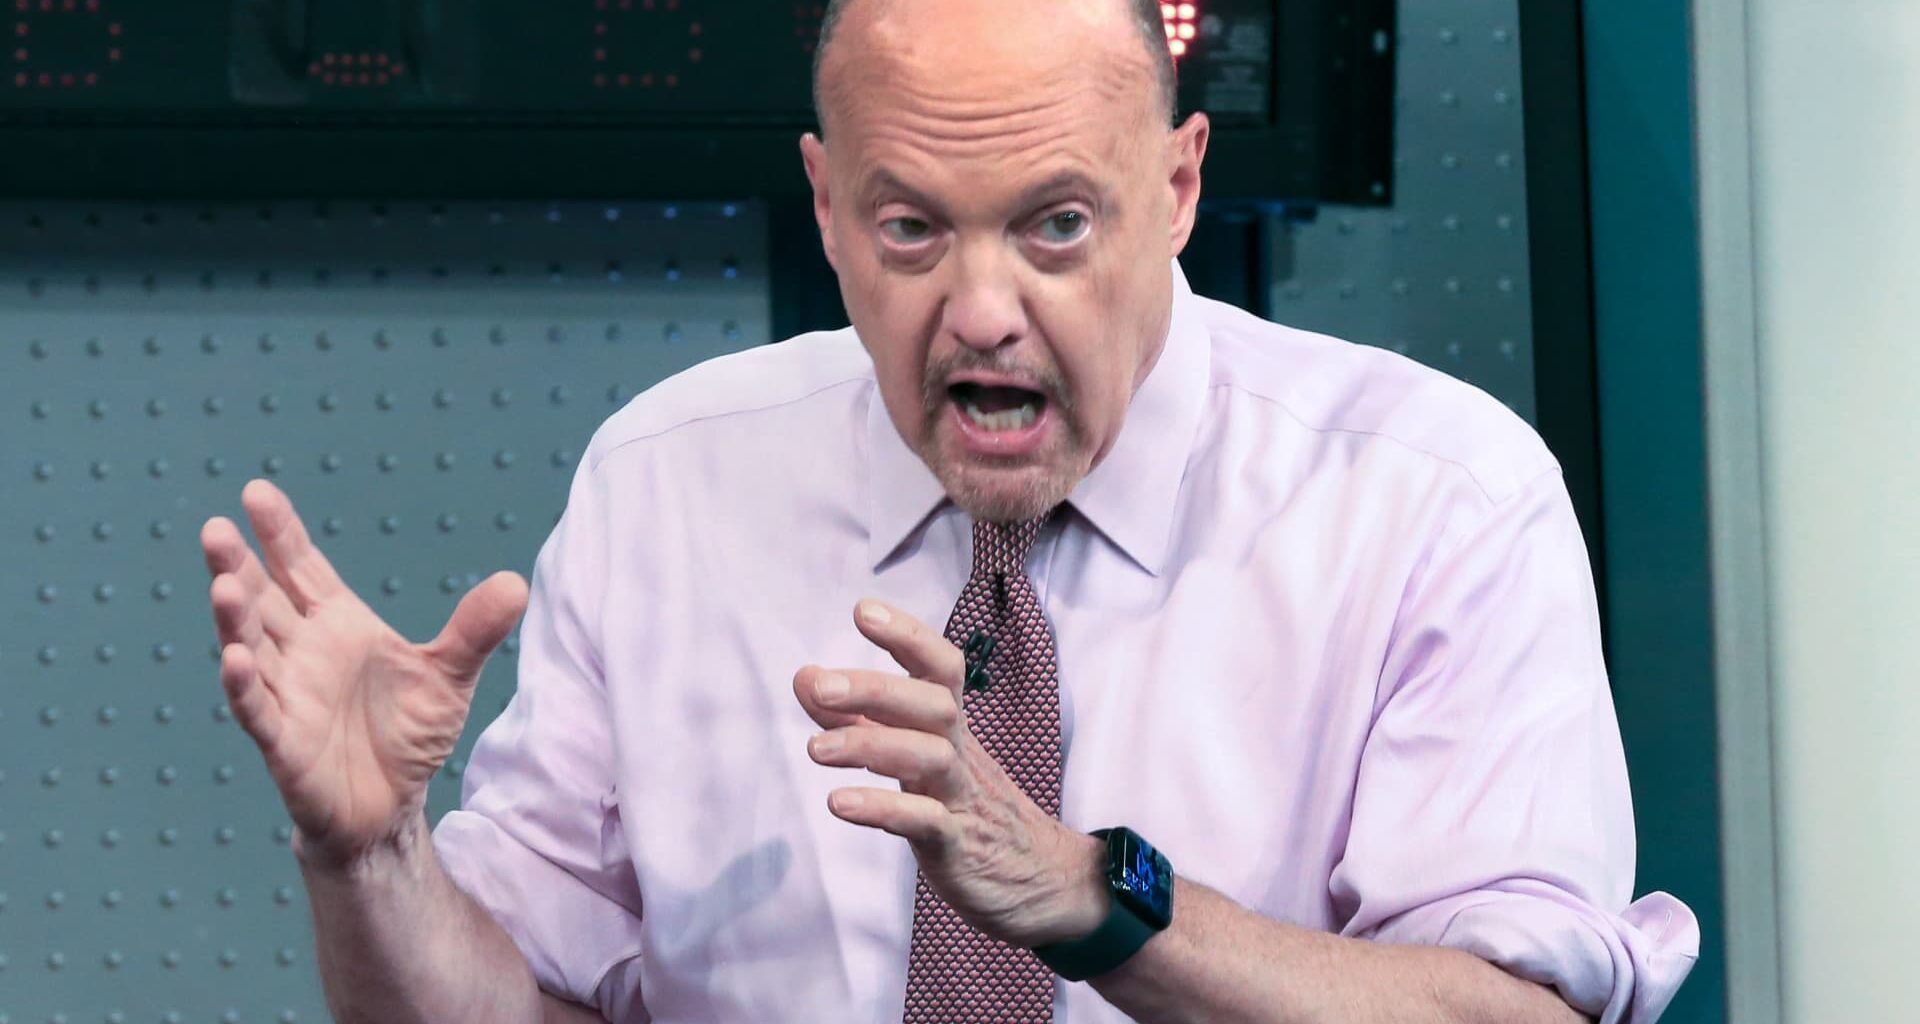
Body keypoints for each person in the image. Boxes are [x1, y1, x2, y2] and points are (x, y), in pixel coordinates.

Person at [198, 0, 1699, 1020]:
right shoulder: (667, 483)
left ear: (1180, 187)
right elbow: (516, 1002)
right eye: (913, 228)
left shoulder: (1437, 499)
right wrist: (370, 858)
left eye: (1058, 225)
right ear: (827, 205)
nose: (982, 310)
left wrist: (1097, 898)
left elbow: (1511, 1011)